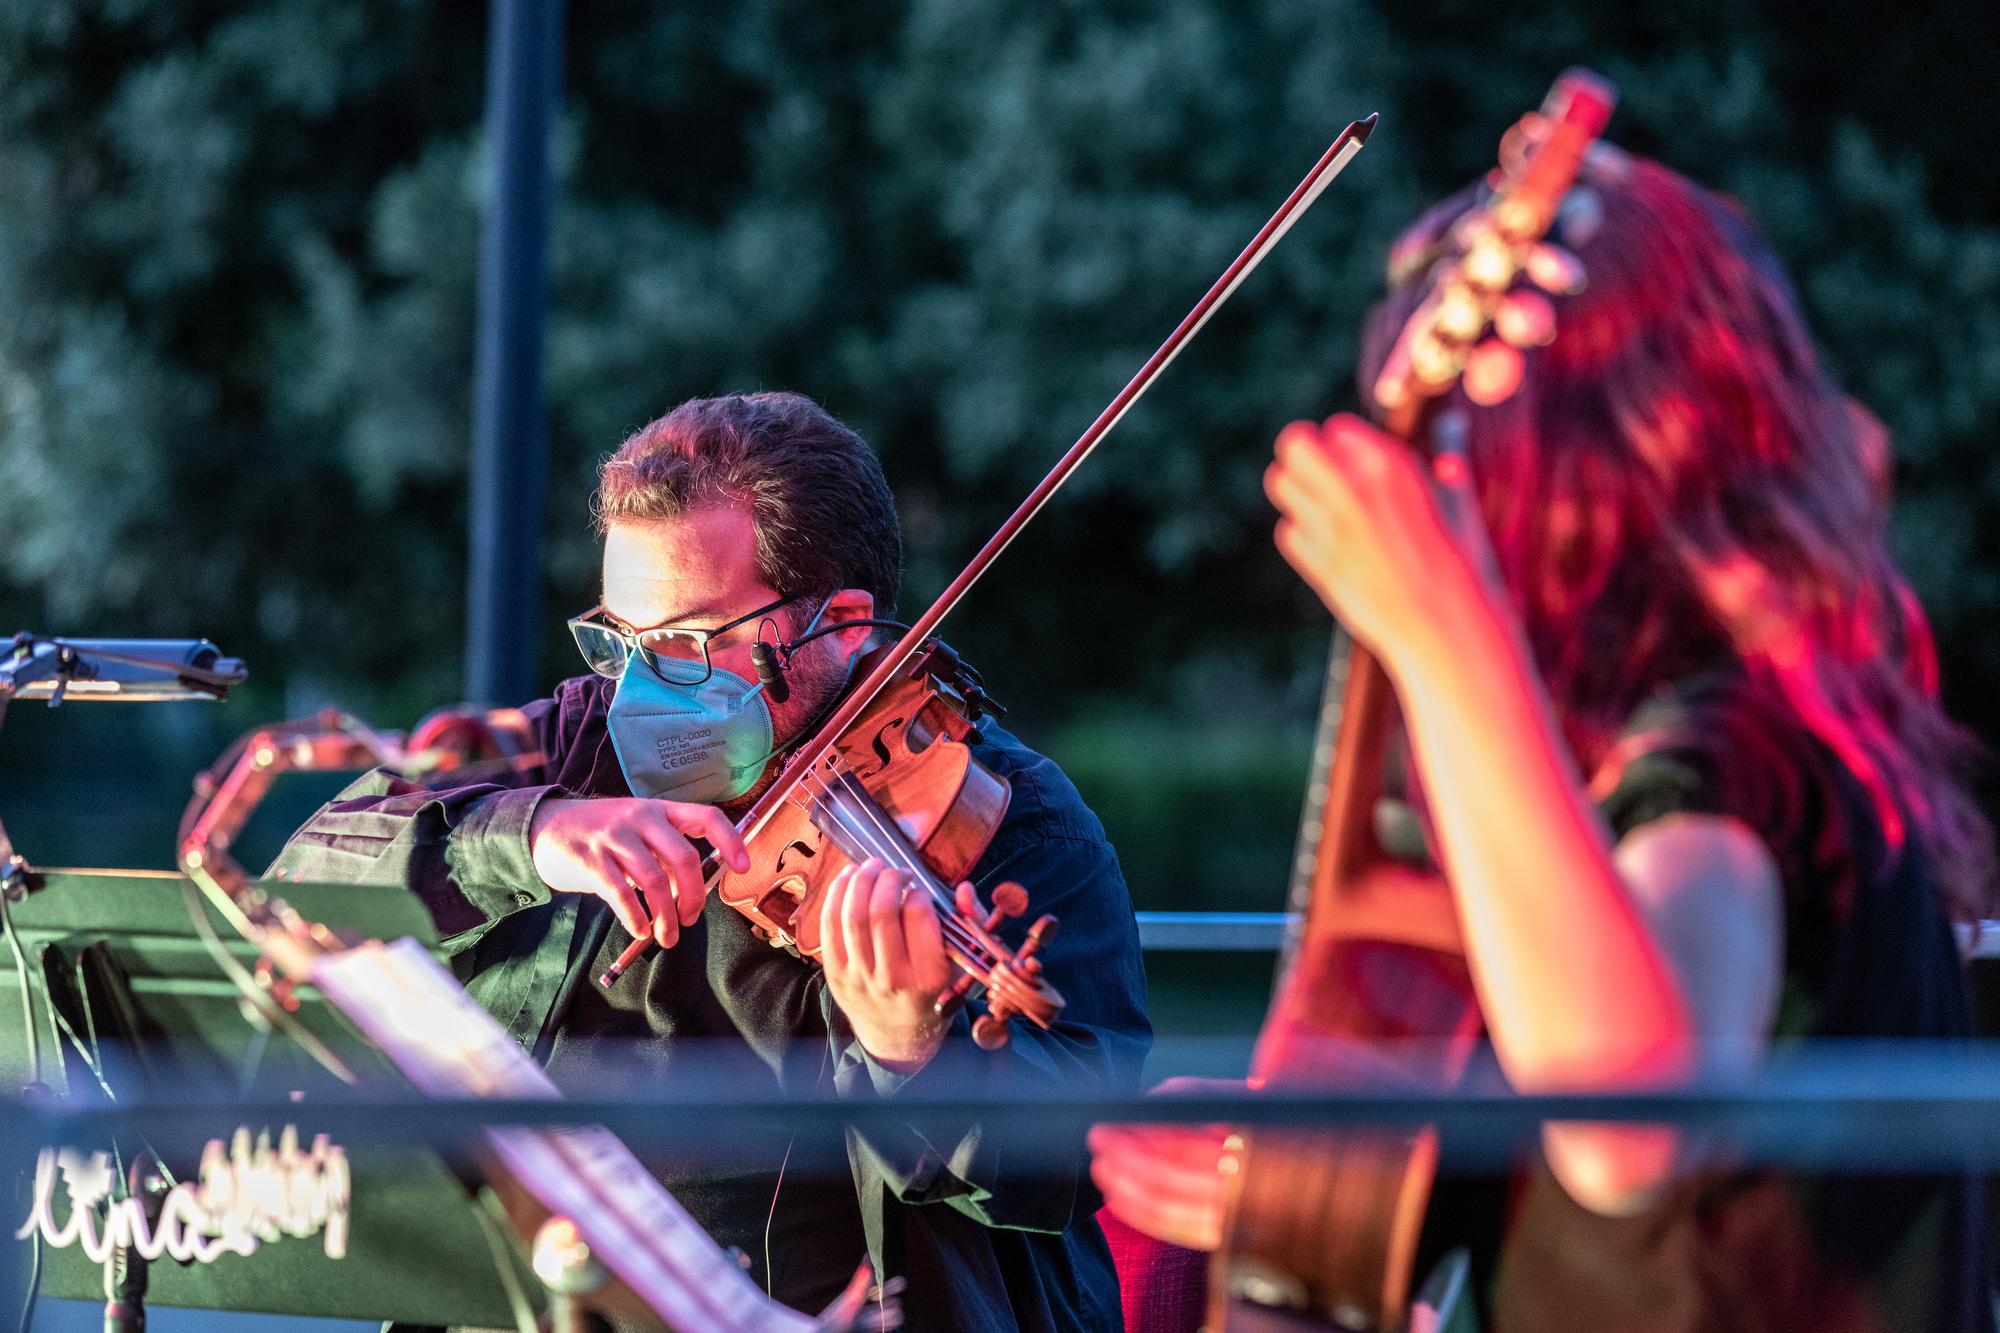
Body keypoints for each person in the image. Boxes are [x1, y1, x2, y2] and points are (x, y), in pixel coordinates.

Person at [1089, 145, 1994, 1332]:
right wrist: (1323, 1168)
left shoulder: (1721, 763)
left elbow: (1627, 1122)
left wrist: (1444, 639)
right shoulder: (1704, 738)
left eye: (1472, 484)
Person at [274, 392, 1151, 1331]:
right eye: (624, 641)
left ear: (843, 623)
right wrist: (531, 836)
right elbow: (306, 877)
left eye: (690, 643)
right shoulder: (576, 744)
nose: (643, 687)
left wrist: (915, 1054)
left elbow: (1073, 1157)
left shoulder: (1013, 825)